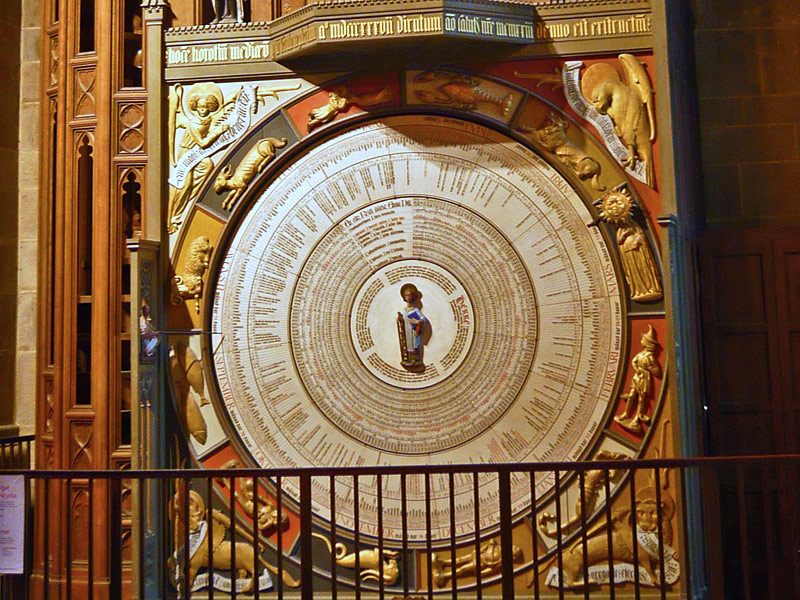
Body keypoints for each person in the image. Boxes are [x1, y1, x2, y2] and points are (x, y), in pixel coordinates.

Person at [397, 283, 427, 368]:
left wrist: (417, 322)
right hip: (406, 332)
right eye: (406, 295)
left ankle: (415, 360)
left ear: (413, 296)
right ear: (404, 297)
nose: (408, 297)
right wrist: (399, 319)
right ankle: (407, 360)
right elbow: (401, 320)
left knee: (414, 345)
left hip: (414, 332)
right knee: (407, 345)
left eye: (410, 295)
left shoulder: (415, 310)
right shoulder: (403, 311)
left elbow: (424, 319)